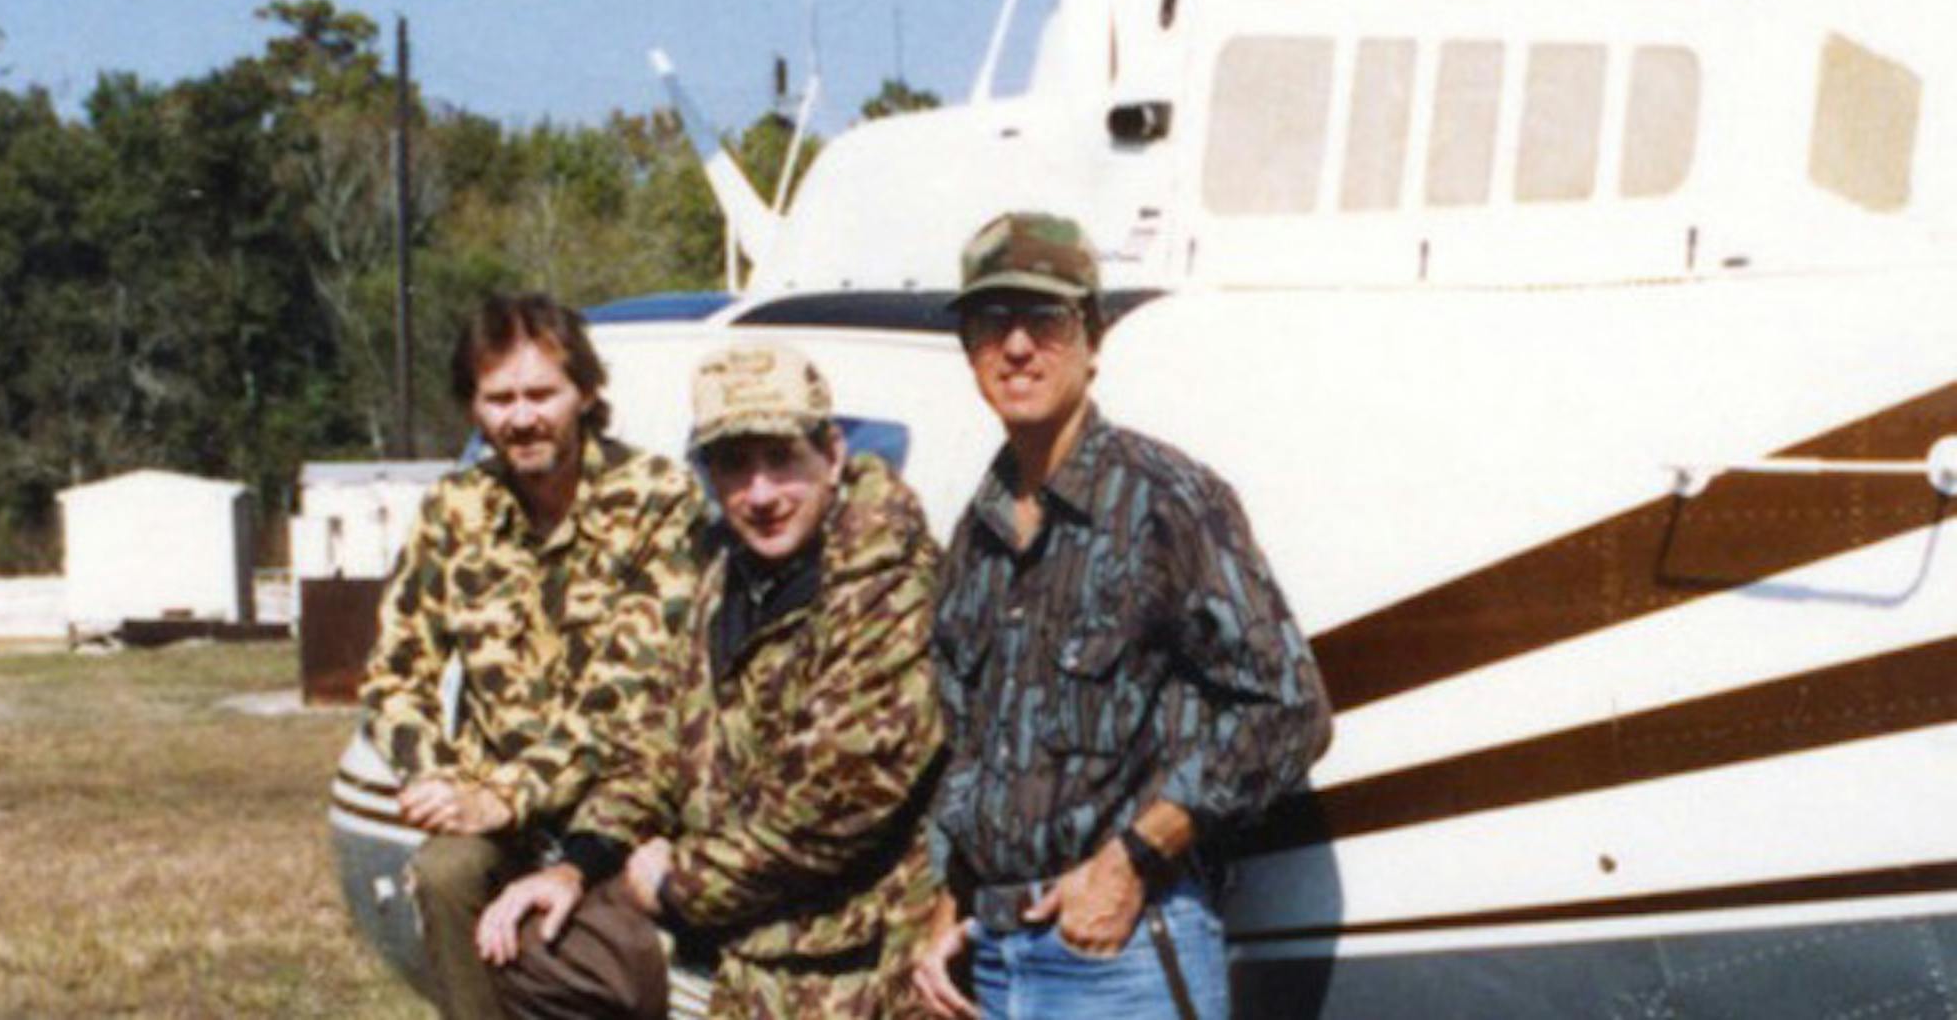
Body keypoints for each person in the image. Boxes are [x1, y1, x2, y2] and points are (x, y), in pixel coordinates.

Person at [910, 212, 1333, 1020]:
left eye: (1046, 321)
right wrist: (946, 911)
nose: (1018, 347)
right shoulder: (978, 530)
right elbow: (968, 750)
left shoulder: (1166, 500)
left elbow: (1289, 710)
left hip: (1120, 949)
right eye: (991, 322)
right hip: (993, 962)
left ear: (1092, 340)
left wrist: (1133, 860)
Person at [476, 339, 946, 1019]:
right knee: (531, 945)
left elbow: (821, 815)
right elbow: (657, 743)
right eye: (733, 464)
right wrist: (578, 861)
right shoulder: (724, 578)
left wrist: (672, 887)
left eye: (782, 460)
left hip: (841, 957)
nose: (760, 495)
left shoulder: (889, 590)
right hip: (728, 928)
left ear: (833, 454)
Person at [359, 292, 703, 1020]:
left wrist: (507, 793)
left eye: (542, 393)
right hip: (494, 818)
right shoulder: (456, 511)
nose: (522, 418)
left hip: (622, 805)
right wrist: (435, 779)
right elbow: (396, 671)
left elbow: (626, 696)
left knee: (628, 971)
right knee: (445, 874)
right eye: (499, 398)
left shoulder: (655, 500)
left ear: (585, 392)